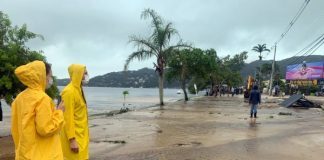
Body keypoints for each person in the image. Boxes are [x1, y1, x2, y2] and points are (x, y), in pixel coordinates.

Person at [11, 60, 65, 160]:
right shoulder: (42, 98)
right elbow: (46, 129)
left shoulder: (19, 98)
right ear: (42, 76)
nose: (50, 79)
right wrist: (60, 112)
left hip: (24, 153)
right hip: (42, 154)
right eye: (50, 76)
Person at [60, 64, 90, 160]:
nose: (87, 75)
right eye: (84, 73)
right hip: (74, 138)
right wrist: (72, 140)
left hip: (81, 135)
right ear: (78, 74)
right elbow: (67, 117)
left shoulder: (78, 90)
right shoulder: (69, 92)